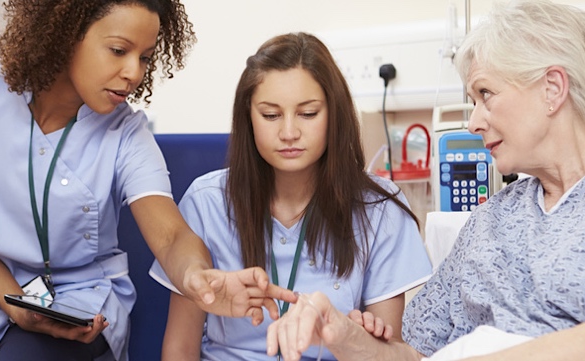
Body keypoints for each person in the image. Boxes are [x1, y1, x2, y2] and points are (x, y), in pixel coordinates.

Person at [264, 1, 585, 360]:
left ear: (552, 89)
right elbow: (411, 355)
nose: (473, 121)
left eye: (485, 94)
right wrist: (339, 332)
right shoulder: (492, 220)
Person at [0, 1, 296, 360]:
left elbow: (170, 235)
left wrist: (198, 277)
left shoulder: (126, 133)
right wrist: (15, 303)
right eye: (118, 50)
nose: (135, 72)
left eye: (145, 57)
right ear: (66, 33)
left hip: (74, 303)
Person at [148, 32, 433, 360]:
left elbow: (386, 350)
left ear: (334, 114)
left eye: (308, 113)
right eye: (270, 115)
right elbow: (179, 350)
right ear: (248, 118)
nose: (288, 133)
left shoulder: (380, 208)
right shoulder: (205, 202)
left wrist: (357, 336)